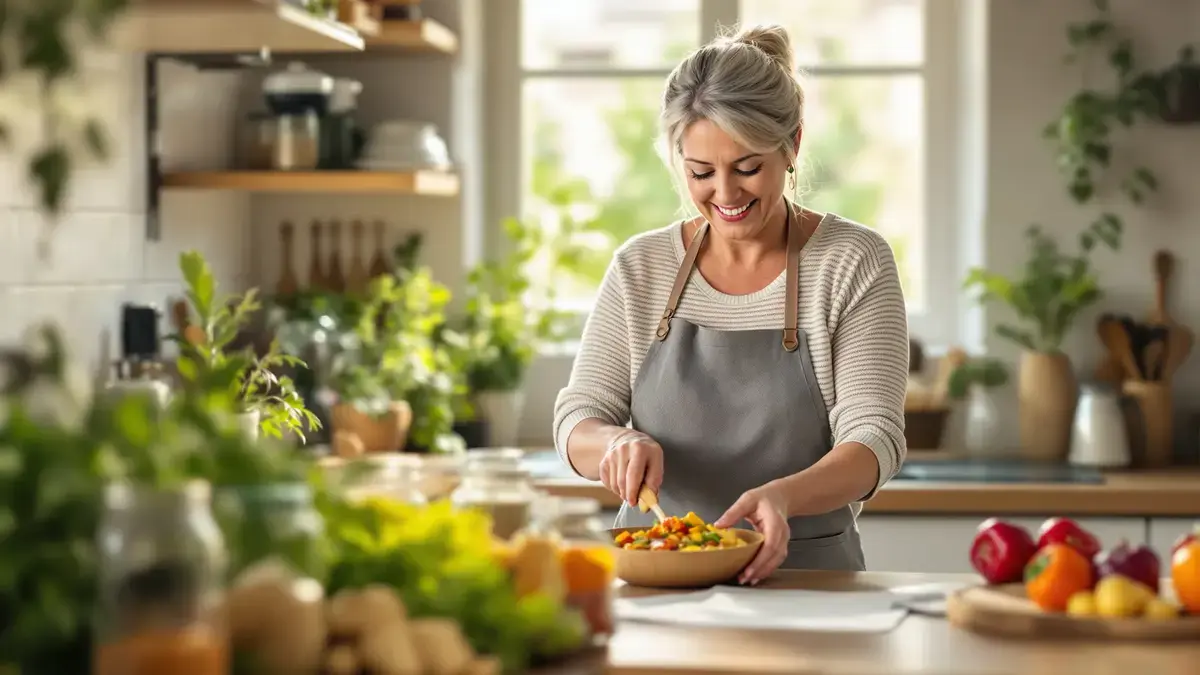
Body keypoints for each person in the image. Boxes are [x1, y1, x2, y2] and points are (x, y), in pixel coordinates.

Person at [551, 23, 908, 584]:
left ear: (792, 144)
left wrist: (784, 498)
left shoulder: (851, 261)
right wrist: (614, 442)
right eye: (700, 172)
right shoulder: (641, 267)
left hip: (807, 580)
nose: (725, 194)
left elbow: (875, 438)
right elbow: (577, 418)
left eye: (747, 168)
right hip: (657, 576)